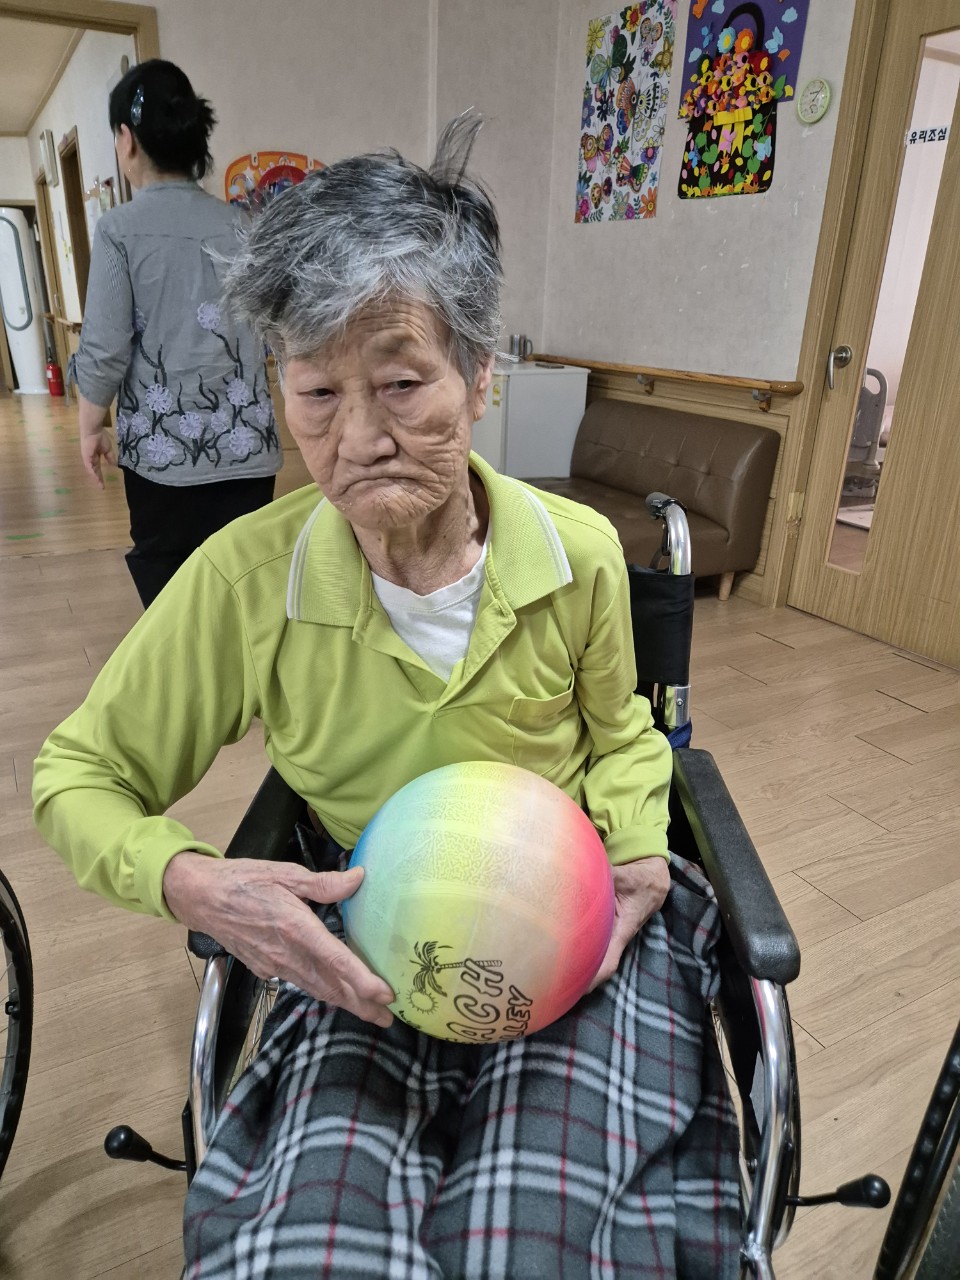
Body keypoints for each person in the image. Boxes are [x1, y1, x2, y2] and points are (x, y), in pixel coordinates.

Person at [34, 116, 738, 1277]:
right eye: (316, 391)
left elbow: (623, 734)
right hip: (366, 929)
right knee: (308, 1249)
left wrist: (636, 854)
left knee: (541, 1243)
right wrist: (195, 879)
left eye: (402, 383)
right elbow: (77, 773)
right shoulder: (247, 581)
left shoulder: (578, 554)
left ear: (480, 372)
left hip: (567, 923)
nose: (357, 438)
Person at [71, 59, 281, 607]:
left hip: (162, 462)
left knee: (172, 596)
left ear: (126, 139)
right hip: (247, 454)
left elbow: (105, 346)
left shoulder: (118, 230)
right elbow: (278, 332)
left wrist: (89, 425)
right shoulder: (246, 227)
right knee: (244, 585)